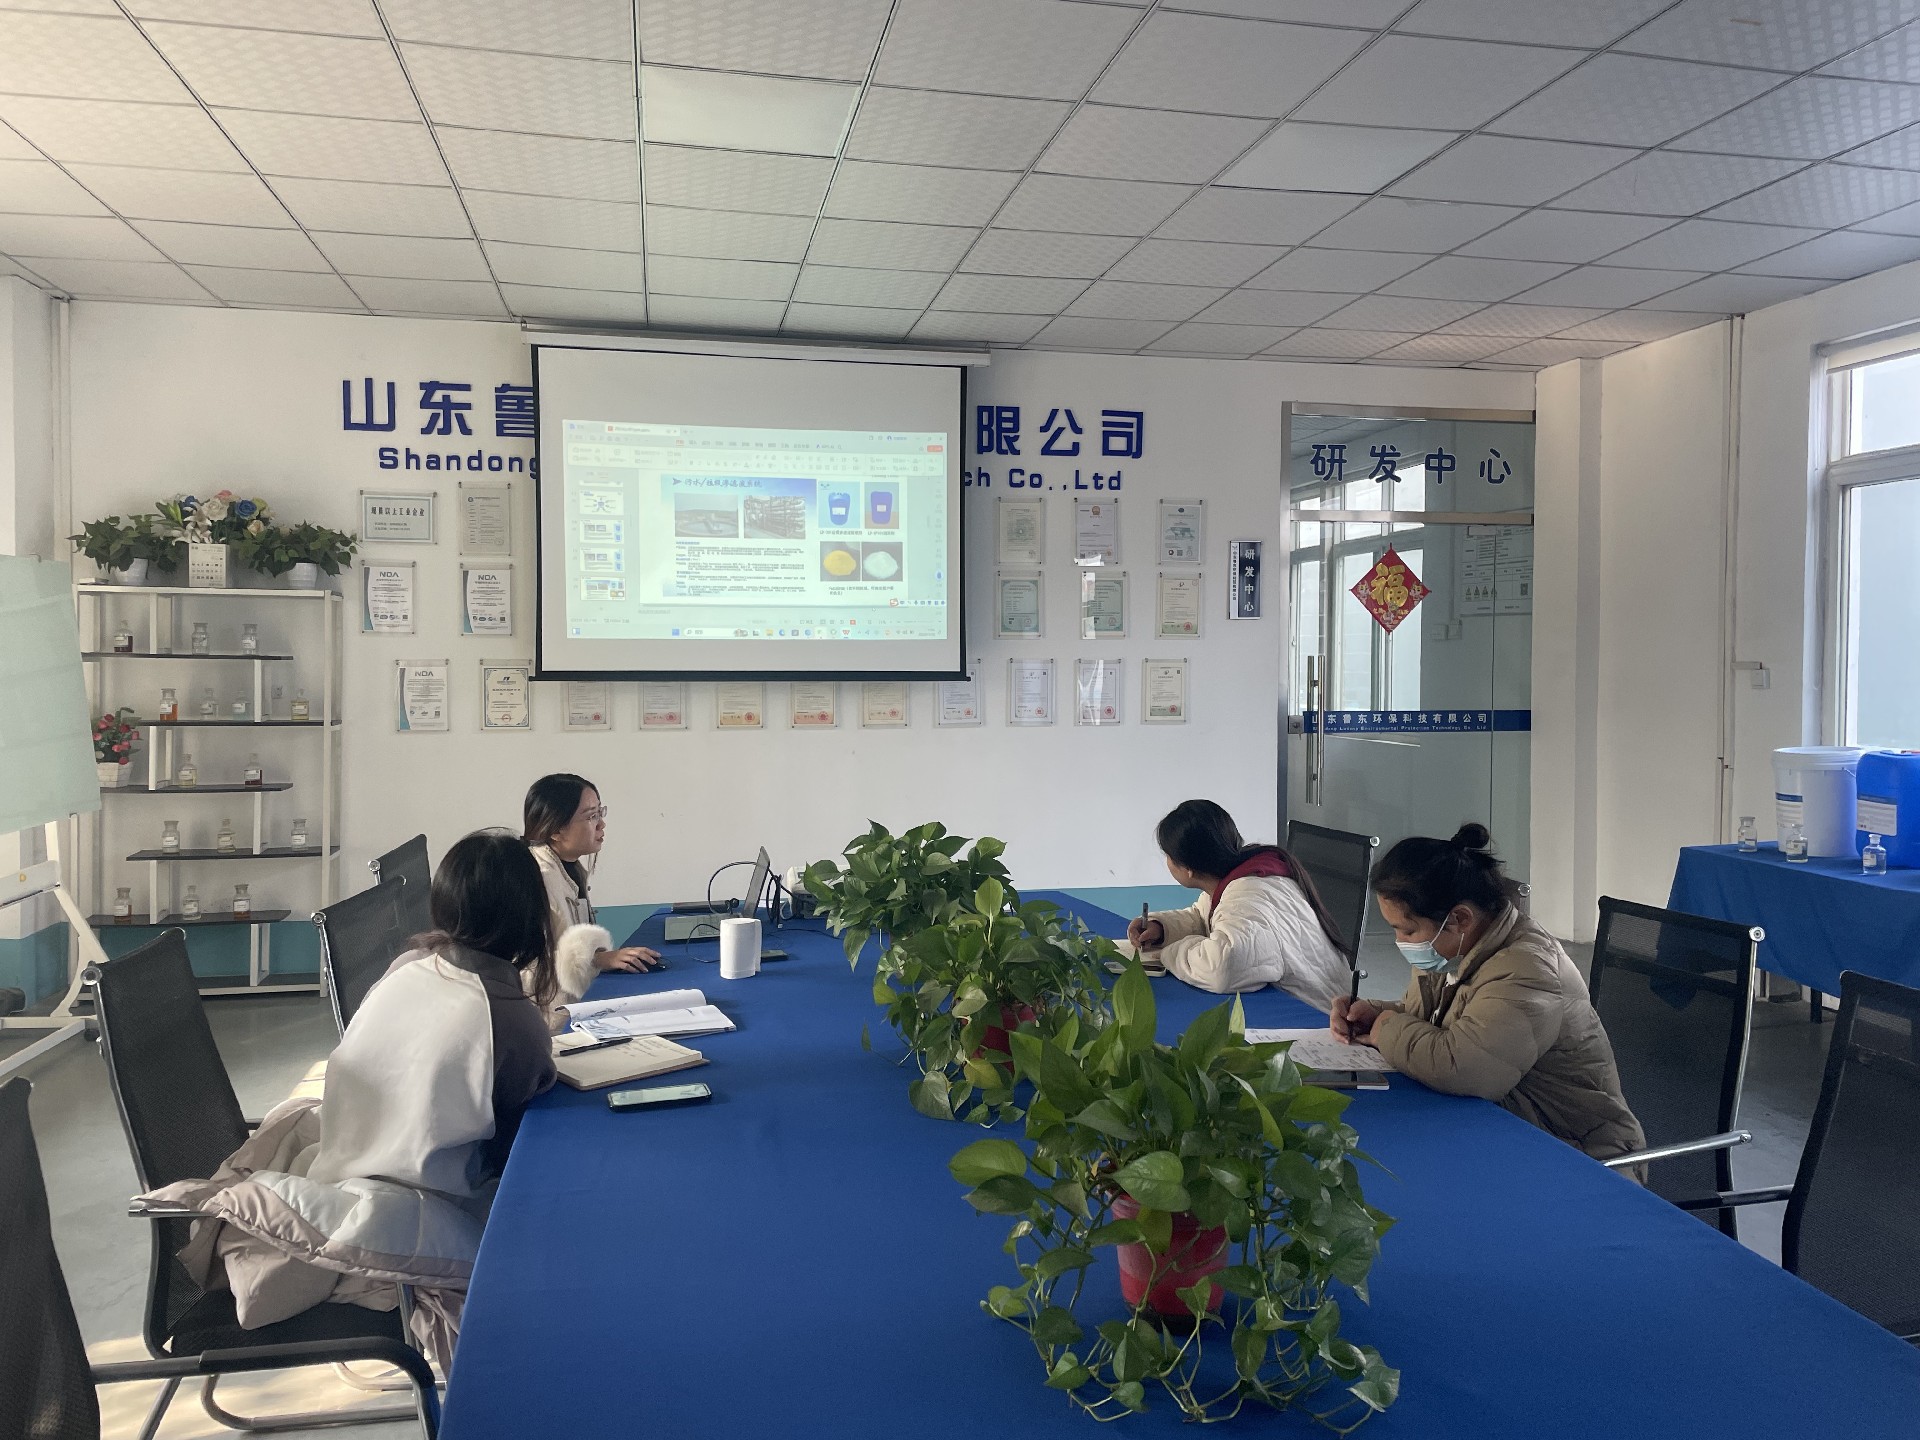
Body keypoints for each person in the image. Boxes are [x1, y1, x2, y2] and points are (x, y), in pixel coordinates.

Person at [1331, 823, 1646, 1164]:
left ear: (1460, 918)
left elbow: (1464, 1067)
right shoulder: (1450, 949)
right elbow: (1433, 1020)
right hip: (1504, 1128)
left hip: (1577, 1153)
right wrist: (1377, 1014)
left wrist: (1388, 1029)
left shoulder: (1527, 968)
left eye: (1408, 930)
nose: (1401, 942)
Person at [311, 829, 559, 1197]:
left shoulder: (407, 964)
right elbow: (515, 1145)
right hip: (423, 1209)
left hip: (332, 1178)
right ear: (529, 917)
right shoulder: (512, 1021)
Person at [1126, 799, 1352, 1012]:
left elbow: (1222, 967)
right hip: (1319, 1006)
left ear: (1188, 869)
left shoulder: (1246, 895)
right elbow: (1202, 917)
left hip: (1319, 1018)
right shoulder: (1242, 876)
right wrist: (1161, 928)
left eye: (1168, 856)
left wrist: (1167, 953)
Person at [524, 773, 663, 1020]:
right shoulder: (539, 877)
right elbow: (538, 964)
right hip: (548, 1019)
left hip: (574, 1002)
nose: (601, 824)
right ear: (556, 829)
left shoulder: (570, 867)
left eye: (600, 812)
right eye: (591, 816)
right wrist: (600, 959)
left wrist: (601, 959)